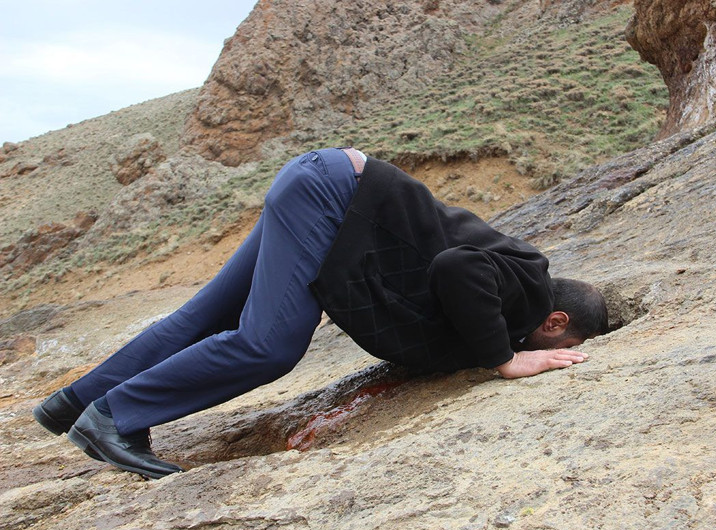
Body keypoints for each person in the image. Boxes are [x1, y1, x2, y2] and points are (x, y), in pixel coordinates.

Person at [33, 147, 608, 479]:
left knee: (204, 316)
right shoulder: (530, 283)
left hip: (327, 187)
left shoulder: (520, 288)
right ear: (554, 321)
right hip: (332, 196)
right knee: (270, 343)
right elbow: (459, 269)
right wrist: (503, 360)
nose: (547, 355)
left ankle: (73, 404)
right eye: (551, 347)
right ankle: (115, 416)